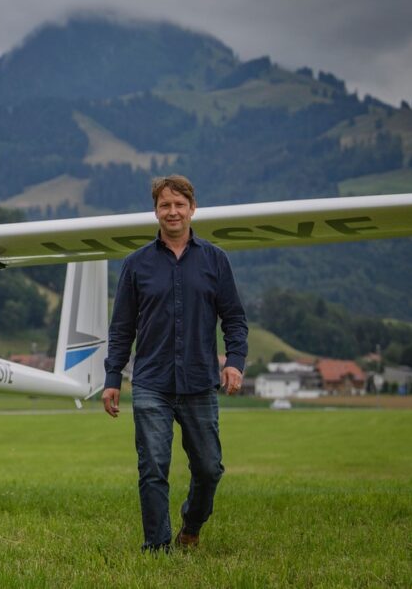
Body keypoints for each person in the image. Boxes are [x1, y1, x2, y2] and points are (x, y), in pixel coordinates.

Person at [102, 175, 247, 552]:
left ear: (192, 209)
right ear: (156, 211)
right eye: (165, 205)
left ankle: (191, 526)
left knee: (209, 468)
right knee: (152, 469)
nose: (172, 211)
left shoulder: (215, 260)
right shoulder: (136, 265)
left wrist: (234, 361)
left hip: (200, 381)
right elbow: (121, 328)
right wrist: (113, 377)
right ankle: (157, 547)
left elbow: (234, 318)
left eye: (179, 204)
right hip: (151, 382)